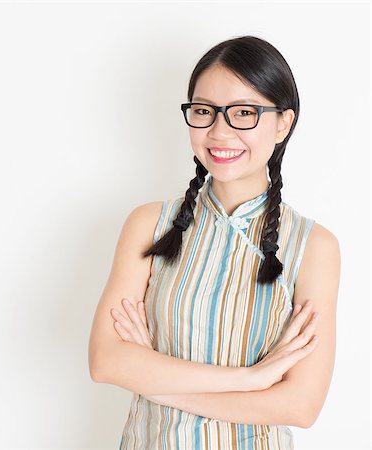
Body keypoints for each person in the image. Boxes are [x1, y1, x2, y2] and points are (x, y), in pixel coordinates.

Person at [88, 35, 340, 449]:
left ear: (283, 123)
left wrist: (155, 380)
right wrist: (251, 380)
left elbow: (300, 405)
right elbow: (106, 361)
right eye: (204, 111)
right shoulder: (149, 224)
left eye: (244, 113)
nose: (219, 132)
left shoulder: (315, 247)